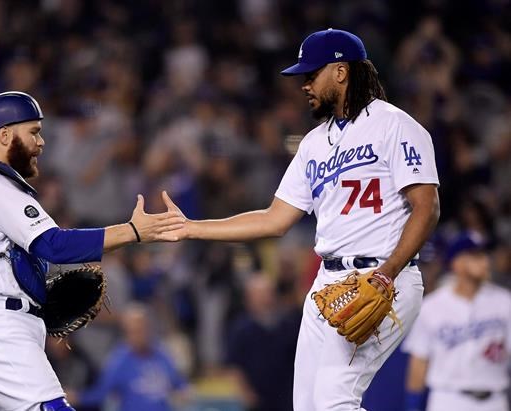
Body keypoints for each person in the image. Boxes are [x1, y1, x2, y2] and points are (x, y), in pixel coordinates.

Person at [161, 28, 441, 410]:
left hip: (382, 277)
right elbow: (274, 219)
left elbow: (427, 207)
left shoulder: (395, 125)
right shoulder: (312, 144)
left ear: (340, 71)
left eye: (312, 75)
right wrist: (194, 228)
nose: (304, 84)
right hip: (326, 285)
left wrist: (388, 272)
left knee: (333, 399)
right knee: (308, 404)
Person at [0, 91, 184, 411]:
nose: (41, 142)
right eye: (33, 132)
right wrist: (133, 232)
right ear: (4, 134)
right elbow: (54, 245)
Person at [402, 232, 511, 411]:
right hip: (448, 399)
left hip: (495, 400)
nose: (484, 261)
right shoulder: (432, 306)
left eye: (484, 254)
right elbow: (419, 362)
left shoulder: (505, 302)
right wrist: (413, 406)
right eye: (475, 256)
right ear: (457, 264)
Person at [75, 303, 190, 411]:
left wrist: (183, 391)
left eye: (141, 330)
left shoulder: (162, 354)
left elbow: (179, 383)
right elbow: (100, 394)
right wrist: (77, 397)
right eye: (133, 331)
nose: (138, 336)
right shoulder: (119, 361)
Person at [226, 274, 300, 411]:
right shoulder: (241, 329)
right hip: (257, 401)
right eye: (259, 294)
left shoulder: (290, 324)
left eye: (268, 293)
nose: (264, 298)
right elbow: (234, 365)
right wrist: (245, 392)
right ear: (248, 298)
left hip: (287, 398)